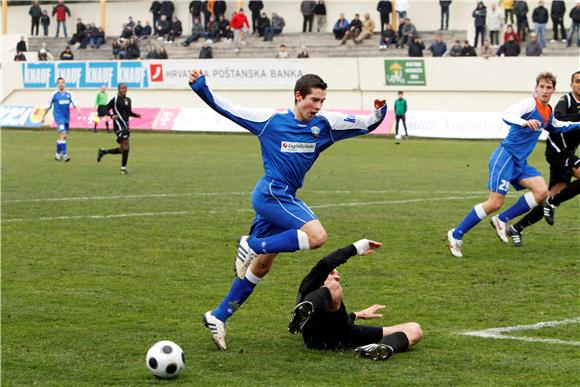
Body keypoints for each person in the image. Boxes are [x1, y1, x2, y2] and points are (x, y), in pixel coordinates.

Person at [188, 69, 387, 351]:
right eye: (314, 100)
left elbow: (365, 124)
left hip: (281, 199)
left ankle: (218, 316)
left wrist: (379, 111)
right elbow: (228, 109)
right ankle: (251, 244)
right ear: (298, 96)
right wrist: (200, 87)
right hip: (271, 193)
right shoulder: (270, 122)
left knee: (262, 266)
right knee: (317, 237)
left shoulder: (325, 125)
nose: (318, 107)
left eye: (322, 101)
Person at [447, 72, 580, 258]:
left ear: (553, 90)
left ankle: (502, 220)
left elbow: (558, 126)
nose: (544, 90)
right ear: (536, 88)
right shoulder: (529, 104)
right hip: (505, 157)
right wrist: (525, 122)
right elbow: (508, 115)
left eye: (548, 87)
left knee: (542, 192)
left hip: (520, 162)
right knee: (495, 202)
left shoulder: (548, 111)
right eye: (541, 86)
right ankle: (456, 234)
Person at [288, 239, 423, 360]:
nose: (337, 277)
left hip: (345, 335)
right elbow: (326, 263)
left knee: (415, 329)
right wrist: (356, 248)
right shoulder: (309, 286)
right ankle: (300, 315)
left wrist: (356, 315)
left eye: (338, 275)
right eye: (332, 273)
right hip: (316, 338)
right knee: (334, 287)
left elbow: (336, 323)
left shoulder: (333, 297)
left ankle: (377, 349)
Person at [508, 71, 580, 246]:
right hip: (558, 152)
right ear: (571, 85)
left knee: (553, 195)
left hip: (568, 153)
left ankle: (516, 228)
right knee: (553, 199)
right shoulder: (566, 100)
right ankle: (552, 202)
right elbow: (559, 118)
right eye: (577, 81)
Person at [97, 84, 141, 175]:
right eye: (121, 88)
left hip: (126, 126)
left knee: (122, 149)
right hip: (118, 126)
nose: (123, 90)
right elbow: (105, 109)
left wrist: (136, 115)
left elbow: (128, 112)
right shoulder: (115, 99)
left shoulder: (128, 100)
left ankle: (104, 152)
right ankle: (123, 169)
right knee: (126, 145)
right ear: (118, 90)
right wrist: (111, 115)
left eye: (125, 88)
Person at [42, 77, 80, 162]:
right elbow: (47, 106)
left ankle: (57, 154)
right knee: (63, 134)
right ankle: (65, 154)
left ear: (65, 83)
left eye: (62, 82)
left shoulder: (69, 94)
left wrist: (78, 110)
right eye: (59, 82)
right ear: (57, 84)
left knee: (63, 137)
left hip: (66, 118)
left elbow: (75, 103)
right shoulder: (54, 94)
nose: (61, 84)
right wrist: (43, 117)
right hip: (58, 117)